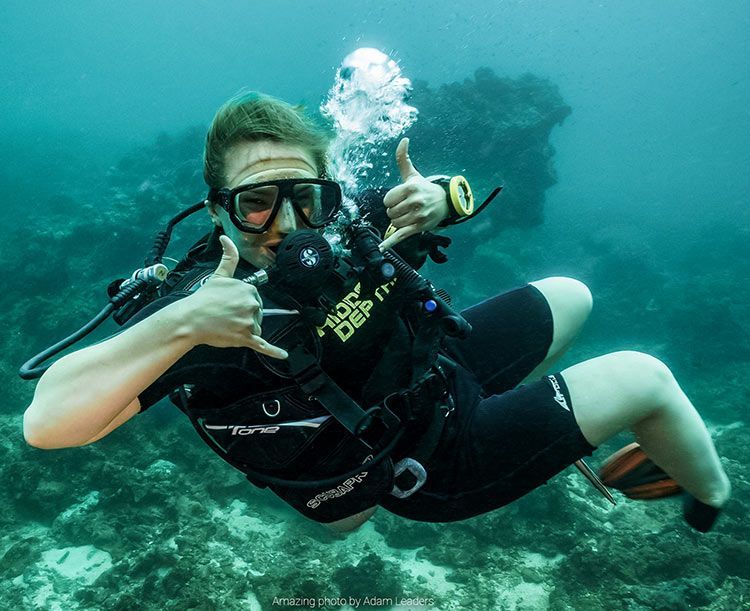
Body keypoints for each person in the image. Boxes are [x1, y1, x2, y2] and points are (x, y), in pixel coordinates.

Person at [23, 92, 731, 534]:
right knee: (644, 375)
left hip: (440, 376)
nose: (287, 225)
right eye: (255, 202)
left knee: (575, 294)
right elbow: (47, 423)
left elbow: (447, 194)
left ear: (328, 189)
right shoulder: (205, 309)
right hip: (417, 464)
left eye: (306, 196)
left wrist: (445, 197)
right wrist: (176, 325)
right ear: (216, 209)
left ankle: (542, 430)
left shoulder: (341, 223)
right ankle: (709, 500)